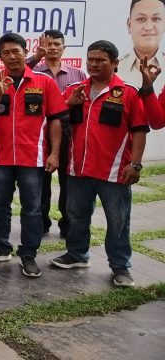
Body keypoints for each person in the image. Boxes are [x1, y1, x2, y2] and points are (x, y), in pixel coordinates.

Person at [52, 40, 148, 288]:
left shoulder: (128, 93)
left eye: (100, 60)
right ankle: (77, 254)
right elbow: (53, 116)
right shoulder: (75, 90)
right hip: (78, 168)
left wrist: (135, 164)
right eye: (90, 59)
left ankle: (120, 266)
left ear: (114, 63)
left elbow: (139, 130)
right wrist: (70, 103)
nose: (93, 64)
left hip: (114, 172)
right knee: (76, 215)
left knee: (118, 221)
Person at [0, 33, 68, 278]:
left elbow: (55, 120)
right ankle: (0, 246)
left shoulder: (44, 82)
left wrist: (54, 153)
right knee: (0, 206)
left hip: (33, 158)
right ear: (0, 57)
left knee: (32, 209)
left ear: (25, 52)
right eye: (6, 53)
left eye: (16, 51)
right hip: (2, 158)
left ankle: (28, 254)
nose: (12, 56)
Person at [26, 30, 87, 238]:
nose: (52, 48)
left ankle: (67, 224)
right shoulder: (33, 71)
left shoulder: (77, 74)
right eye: (48, 44)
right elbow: (13, 76)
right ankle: (41, 222)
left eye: (56, 44)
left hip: (69, 131)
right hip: (40, 132)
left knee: (68, 181)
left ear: (64, 48)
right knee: (40, 181)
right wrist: (36, 57)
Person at [117, 0, 165, 87]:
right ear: (129, 24)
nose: (148, 27)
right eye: (141, 19)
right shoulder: (114, 69)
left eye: (156, 19)